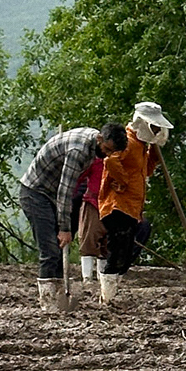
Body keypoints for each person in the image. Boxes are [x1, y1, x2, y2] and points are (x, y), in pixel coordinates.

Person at [19, 123, 128, 312]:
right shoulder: (78, 151)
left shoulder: (93, 145)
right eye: (107, 150)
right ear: (100, 139)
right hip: (36, 192)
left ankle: (58, 298)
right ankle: (49, 305)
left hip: (51, 195)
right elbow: (65, 191)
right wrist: (65, 228)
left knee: (56, 249)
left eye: (112, 153)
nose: (107, 155)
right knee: (50, 250)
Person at [97, 102, 172, 303]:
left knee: (127, 251)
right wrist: (123, 181)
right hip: (117, 205)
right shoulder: (128, 142)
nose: (156, 131)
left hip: (131, 207)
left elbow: (144, 170)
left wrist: (154, 155)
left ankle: (111, 291)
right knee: (118, 248)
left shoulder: (141, 146)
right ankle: (107, 297)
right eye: (154, 127)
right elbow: (110, 161)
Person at [74, 154, 108, 299]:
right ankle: (87, 278)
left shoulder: (118, 160)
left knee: (106, 241)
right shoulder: (95, 160)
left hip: (110, 202)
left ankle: (103, 277)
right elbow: (79, 177)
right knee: (89, 238)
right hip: (93, 201)